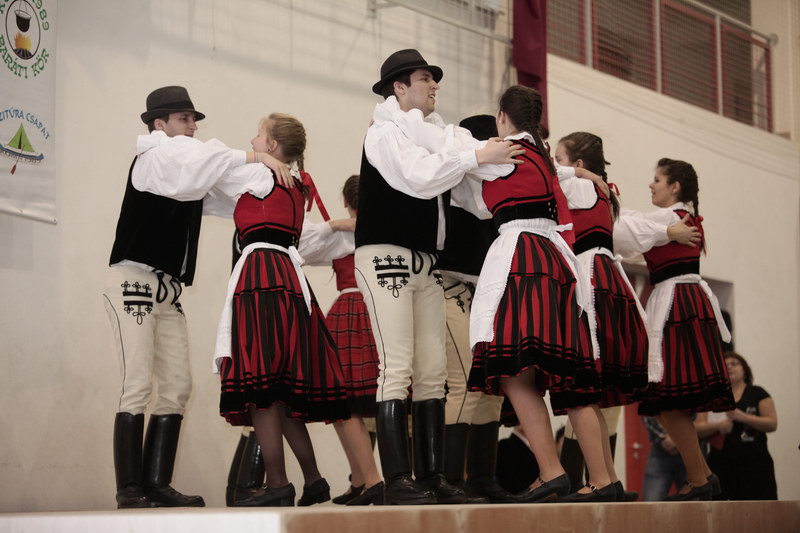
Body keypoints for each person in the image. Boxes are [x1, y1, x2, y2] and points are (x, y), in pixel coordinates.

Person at [104, 86, 287, 509]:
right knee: (136, 384)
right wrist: (257, 156)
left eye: (193, 119)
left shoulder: (189, 170)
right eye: (184, 119)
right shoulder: (155, 156)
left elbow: (226, 189)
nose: (193, 126)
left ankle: (156, 483)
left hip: (166, 289)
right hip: (133, 281)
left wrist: (276, 175)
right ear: (159, 124)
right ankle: (129, 489)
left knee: (177, 386)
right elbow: (204, 163)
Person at [355, 49, 522, 505]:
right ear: (398, 87)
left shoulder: (437, 134)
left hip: (425, 262)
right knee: (397, 366)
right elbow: (420, 177)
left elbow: (475, 198)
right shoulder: (385, 132)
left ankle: (431, 477)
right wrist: (475, 155)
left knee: (432, 372)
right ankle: (397, 480)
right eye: (425, 78)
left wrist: (518, 163)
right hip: (386, 255)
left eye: (434, 79)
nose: (434, 85)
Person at [552, 132, 700, 502]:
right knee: (594, 392)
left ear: (578, 164)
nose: (554, 164)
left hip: (592, 281)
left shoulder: (580, 187)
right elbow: (628, 226)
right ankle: (607, 478)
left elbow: (625, 228)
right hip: (607, 280)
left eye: (560, 158)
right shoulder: (600, 191)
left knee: (582, 386)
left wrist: (581, 175)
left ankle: (598, 479)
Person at [214, 113, 350, 507]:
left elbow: (211, 168)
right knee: (280, 389)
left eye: (259, 136)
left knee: (260, 385)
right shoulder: (294, 184)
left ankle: (277, 483)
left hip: (260, 279)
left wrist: (255, 159)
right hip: (289, 281)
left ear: (273, 146)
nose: (252, 141)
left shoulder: (258, 174)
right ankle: (313, 479)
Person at [463, 85, 584, 503]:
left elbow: (458, 173)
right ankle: (551, 471)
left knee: (513, 368)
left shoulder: (505, 152)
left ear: (502, 116)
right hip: (551, 259)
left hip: (521, 257)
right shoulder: (541, 155)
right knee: (523, 371)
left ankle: (551, 470)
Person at [614, 158, 735, 501]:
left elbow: (621, 229)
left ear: (675, 186)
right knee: (666, 401)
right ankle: (702, 474)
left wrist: (598, 199)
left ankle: (698, 477)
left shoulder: (670, 217)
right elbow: (632, 227)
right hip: (683, 301)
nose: (651, 185)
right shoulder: (674, 219)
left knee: (668, 399)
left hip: (677, 304)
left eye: (657, 179)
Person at [298, 175, 384, 506]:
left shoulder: (346, 234)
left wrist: (334, 225)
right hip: (376, 310)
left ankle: (369, 479)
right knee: (350, 403)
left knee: (344, 403)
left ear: (347, 202)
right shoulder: (381, 229)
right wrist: (336, 225)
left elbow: (299, 247)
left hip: (349, 313)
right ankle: (362, 479)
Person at [439, 115, 510, 504]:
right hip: (450, 283)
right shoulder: (454, 178)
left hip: (487, 290)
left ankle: (483, 476)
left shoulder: (498, 184)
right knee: (464, 379)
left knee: (492, 384)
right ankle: (452, 478)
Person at [697, 352, 778, 500]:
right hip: (720, 463)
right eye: (725, 365)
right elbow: (697, 428)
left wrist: (743, 417)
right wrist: (718, 426)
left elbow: (772, 423)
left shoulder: (757, 393)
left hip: (755, 463)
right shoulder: (713, 396)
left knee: (760, 507)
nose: (729, 367)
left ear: (744, 369)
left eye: (734, 363)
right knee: (720, 508)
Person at [641, 416, 688, 501]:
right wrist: (662, 438)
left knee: (694, 502)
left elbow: (695, 416)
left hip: (689, 451)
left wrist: (678, 438)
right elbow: (647, 414)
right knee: (651, 502)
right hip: (660, 450)